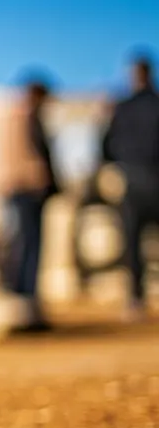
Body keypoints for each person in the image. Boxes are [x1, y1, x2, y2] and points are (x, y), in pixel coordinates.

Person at [0, 75, 58, 331]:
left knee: (17, 243)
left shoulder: (5, 116)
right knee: (30, 246)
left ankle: (19, 305)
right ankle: (27, 306)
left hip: (11, 186)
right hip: (29, 187)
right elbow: (40, 152)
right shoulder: (29, 116)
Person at [102, 51, 159, 323]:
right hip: (152, 178)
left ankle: (135, 300)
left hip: (132, 181)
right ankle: (136, 298)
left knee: (133, 243)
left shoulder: (121, 107)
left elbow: (107, 146)